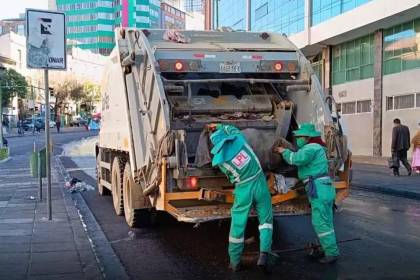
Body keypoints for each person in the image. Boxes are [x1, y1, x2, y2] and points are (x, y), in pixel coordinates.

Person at [208, 123, 273, 271]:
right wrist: (218, 125)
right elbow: (231, 128)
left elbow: (231, 177)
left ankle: (235, 262)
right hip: (260, 182)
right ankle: (264, 254)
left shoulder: (222, 162)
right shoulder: (239, 139)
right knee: (266, 221)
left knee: (237, 224)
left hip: (243, 189)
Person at [274, 123, 339, 264]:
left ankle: (331, 253)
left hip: (319, 188)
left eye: (299, 136)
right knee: (326, 221)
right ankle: (324, 247)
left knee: (320, 222)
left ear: (308, 137)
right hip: (324, 187)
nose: (297, 138)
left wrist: (283, 151)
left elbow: (295, 159)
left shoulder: (311, 148)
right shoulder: (318, 148)